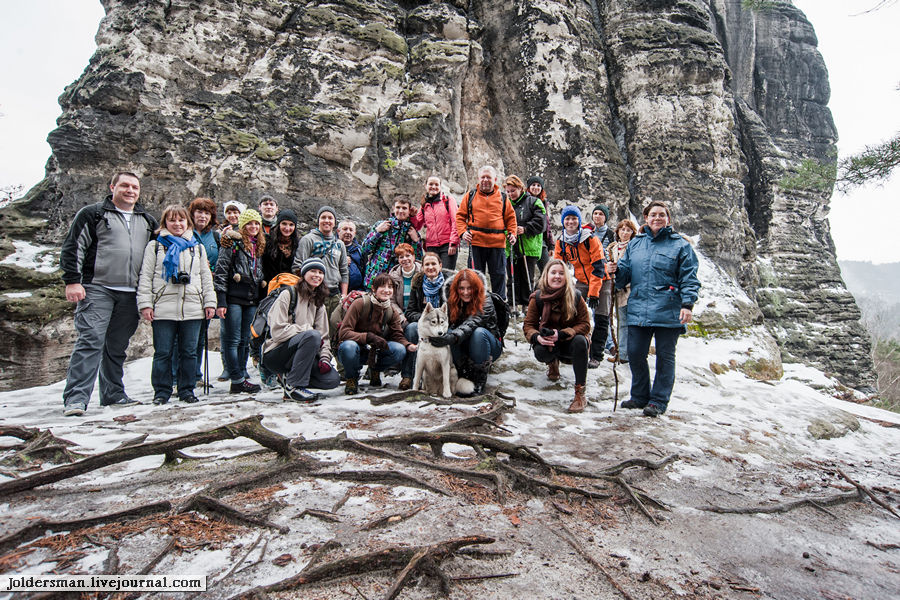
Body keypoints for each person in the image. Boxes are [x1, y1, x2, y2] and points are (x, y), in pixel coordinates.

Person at [59, 171, 159, 416]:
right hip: (98, 288)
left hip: (130, 292)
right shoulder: (93, 214)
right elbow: (74, 247)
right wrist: (73, 281)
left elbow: (160, 251)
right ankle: (76, 399)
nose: (130, 191)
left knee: (116, 346)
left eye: (135, 187)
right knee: (90, 340)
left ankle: (113, 394)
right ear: (112, 186)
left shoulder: (146, 220)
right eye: (124, 185)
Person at [610, 201, 700, 417]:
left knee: (665, 357)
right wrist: (615, 270)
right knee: (635, 353)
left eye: (662, 215)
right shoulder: (635, 245)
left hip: (669, 309)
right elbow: (624, 275)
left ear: (668, 219)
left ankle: (658, 400)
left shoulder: (681, 245)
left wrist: (687, 304)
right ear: (646, 218)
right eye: (653, 215)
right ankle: (640, 396)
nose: (657, 218)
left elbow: (689, 277)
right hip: (639, 307)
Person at [137, 205, 217, 405]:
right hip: (163, 307)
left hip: (192, 307)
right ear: (165, 223)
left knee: (189, 352)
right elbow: (145, 277)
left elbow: (205, 277)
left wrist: (210, 302)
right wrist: (146, 304)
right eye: (172, 220)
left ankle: (187, 389)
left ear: (187, 223)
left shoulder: (196, 248)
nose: (177, 224)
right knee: (163, 352)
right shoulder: (155, 246)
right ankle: (162, 391)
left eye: (181, 220)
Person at [261, 257, 341, 402]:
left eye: (320, 272)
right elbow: (277, 331)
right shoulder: (288, 294)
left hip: (303, 354)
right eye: (312, 271)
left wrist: (324, 358)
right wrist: (305, 330)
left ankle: (289, 378)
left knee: (332, 380)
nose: (317, 275)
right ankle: (294, 386)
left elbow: (324, 336)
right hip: (277, 353)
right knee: (311, 335)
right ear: (303, 274)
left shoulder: (318, 301)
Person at [523, 259, 592, 412]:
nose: (557, 276)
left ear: (566, 277)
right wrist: (537, 337)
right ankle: (552, 363)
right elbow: (528, 325)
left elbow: (585, 324)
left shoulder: (575, 296)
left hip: (568, 340)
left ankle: (580, 393)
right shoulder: (538, 298)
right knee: (540, 351)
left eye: (561, 273)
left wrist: (561, 334)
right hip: (548, 343)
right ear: (546, 275)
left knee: (581, 341)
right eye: (553, 272)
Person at [337, 273, 415, 395]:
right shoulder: (360, 304)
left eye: (390, 287)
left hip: (375, 351)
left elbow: (397, 335)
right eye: (382, 287)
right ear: (374, 289)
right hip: (356, 349)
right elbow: (344, 332)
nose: (387, 290)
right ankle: (351, 378)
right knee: (349, 347)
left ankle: (375, 370)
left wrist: (408, 345)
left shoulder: (391, 310)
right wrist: (368, 337)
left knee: (399, 350)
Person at [215, 209, 266, 394]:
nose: (253, 227)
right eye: (249, 224)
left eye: (256, 223)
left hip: (251, 298)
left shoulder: (259, 245)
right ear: (242, 226)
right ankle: (235, 377)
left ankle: (242, 373)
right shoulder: (232, 243)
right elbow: (221, 270)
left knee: (245, 339)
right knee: (232, 339)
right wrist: (221, 300)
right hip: (234, 297)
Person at [429, 269, 502, 395]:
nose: (466, 292)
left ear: (476, 287)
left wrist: (453, 336)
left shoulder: (486, 299)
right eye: (461, 288)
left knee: (478, 333)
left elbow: (473, 322)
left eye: (470, 288)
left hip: (487, 345)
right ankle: (462, 372)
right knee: (448, 331)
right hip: (463, 343)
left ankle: (479, 379)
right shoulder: (451, 300)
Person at [554, 206, 608, 369]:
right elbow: (558, 266)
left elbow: (599, 267)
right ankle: (576, 348)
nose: (571, 222)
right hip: (582, 280)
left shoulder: (590, 239)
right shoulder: (561, 242)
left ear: (579, 221)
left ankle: (596, 355)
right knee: (573, 312)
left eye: (574, 218)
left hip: (603, 279)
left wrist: (594, 293)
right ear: (563, 222)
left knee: (601, 316)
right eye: (567, 219)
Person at [456, 166, 517, 301]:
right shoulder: (470, 196)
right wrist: (462, 233)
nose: (485, 180)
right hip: (476, 243)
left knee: (499, 276)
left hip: (497, 244)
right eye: (482, 177)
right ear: (478, 179)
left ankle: (499, 307)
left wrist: (512, 233)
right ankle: (477, 308)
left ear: (494, 179)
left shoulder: (503, 197)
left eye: (488, 177)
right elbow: (460, 216)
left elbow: (511, 218)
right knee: (475, 277)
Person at [398, 252, 451, 390]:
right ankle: (408, 376)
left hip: (443, 324)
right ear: (422, 267)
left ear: (440, 265)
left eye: (434, 263)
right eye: (427, 264)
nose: (430, 267)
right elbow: (409, 311)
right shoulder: (417, 284)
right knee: (411, 328)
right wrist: (425, 320)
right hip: (425, 324)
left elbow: (453, 311)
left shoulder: (449, 284)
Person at [187, 197, 221, 383]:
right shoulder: (184, 233)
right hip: (187, 288)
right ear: (192, 214)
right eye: (199, 212)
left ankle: (196, 374)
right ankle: (178, 376)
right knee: (183, 336)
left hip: (207, 288)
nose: (202, 216)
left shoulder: (215, 236)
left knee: (200, 334)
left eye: (207, 213)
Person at [294, 206, 348, 316]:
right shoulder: (308, 239)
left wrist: (344, 294)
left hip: (335, 294)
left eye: (330, 218)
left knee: (334, 329)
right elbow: (298, 266)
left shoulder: (339, 244)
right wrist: (306, 289)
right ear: (318, 220)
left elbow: (344, 270)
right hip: (314, 293)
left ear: (334, 222)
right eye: (323, 217)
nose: (327, 220)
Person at [362, 195, 422, 288]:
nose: (401, 211)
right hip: (374, 279)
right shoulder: (381, 225)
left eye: (404, 208)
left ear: (409, 211)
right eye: (398, 207)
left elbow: (418, 259)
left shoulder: (411, 231)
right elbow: (365, 249)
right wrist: (377, 232)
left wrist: (416, 241)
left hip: (395, 283)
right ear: (393, 209)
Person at [506, 175, 546, 311]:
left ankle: (527, 305)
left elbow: (541, 223)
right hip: (511, 246)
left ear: (520, 188)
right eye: (508, 191)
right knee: (512, 276)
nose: (511, 194)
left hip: (529, 247)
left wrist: (525, 228)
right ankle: (512, 304)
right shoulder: (506, 203)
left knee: (526, 276)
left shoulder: (534, 202)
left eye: (513, 190)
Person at [583, 204, 615, 357]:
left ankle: (607, 344)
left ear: (606, 217)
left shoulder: (610, 234)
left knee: (602, 313)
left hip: (605, 276)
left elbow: (613, 252)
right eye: (595, 213)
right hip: (589, 275)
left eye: (601, 214)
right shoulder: (587, 232)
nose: (597, 216)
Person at [410, 175, 459, 269]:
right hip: (431, 246)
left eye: (436, 184)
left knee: (446, 274)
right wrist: (412, 216)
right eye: (431, 184)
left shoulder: (448, 201)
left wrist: (453, 243)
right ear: (426, 186)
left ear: (440, 186)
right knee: (432, 276)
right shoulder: (424, 205)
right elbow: (418, 225)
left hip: (447, 245)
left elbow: (455, 222)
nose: (433, 187)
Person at [606, 219, 638, 364]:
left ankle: (630, 353)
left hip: (631, 288)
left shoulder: (635, 247)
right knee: (622, 322)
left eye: (628, 230)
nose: (625, 233)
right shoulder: (612, 248)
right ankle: (623, 353)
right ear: (618, 231)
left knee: (631, 323)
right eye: (622, 229)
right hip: (618, 289)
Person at [388, 243, 422, 326]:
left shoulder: (423, 273)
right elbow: (391, 300)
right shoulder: (393, 276)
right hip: (401, 315)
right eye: (401, 257)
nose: (405, 259)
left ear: (413, 257)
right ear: (398, 260)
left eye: (408, 255)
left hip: (418, 315)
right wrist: (400, 315)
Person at [263, 209, 300, 284]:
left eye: (291, 225)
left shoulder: (298, 244)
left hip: (290, 285)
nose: (287, 228)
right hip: (269, 285)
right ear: (278, 224)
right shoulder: (268, 241)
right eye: (284, 224)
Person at [526, 175, 553, 274]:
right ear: (528, 187)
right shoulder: (525, 201)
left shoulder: (543, 202)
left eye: (538, 185)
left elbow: (547, 225)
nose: (536, 187)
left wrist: (550, 245)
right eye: (533, 185)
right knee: (529, 273)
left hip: (541, 243)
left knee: (547, 271)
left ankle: (542, 288)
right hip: (529, 241)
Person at [338, 219, 367, 292]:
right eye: (345, 229)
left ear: (354, 233)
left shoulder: (360, 250)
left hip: (357, 291)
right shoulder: (332, 248)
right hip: (336, 291)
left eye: (351, 230)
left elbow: (365, 271)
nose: (348, 232)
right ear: (338, 231)